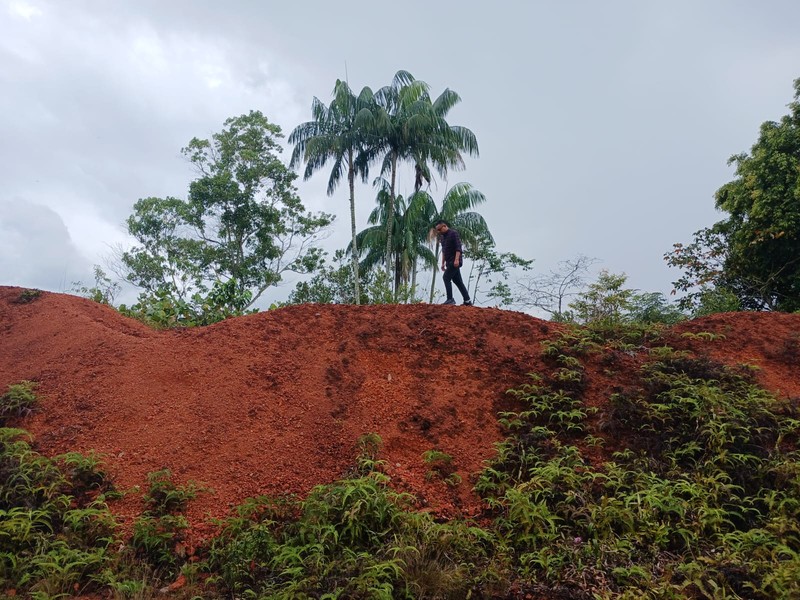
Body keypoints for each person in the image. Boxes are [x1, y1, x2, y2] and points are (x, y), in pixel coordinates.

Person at [434, 220, 472, 306]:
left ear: (444, 226)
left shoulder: (453, 233)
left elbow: (458, 248)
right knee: (458, 281)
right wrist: (442, 263)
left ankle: (450, 299)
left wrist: (456, 260)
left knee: (446, 278)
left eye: (439, 229)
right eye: (438, 230)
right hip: (448, 262)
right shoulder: (442, 238)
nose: (439, 232)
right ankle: (467, 301)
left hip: (455, 261)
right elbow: (444, 251)